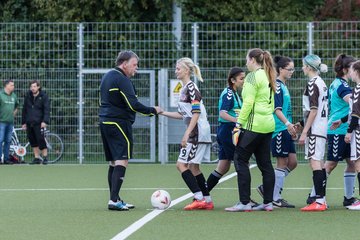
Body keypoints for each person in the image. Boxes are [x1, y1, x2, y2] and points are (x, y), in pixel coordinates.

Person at [99, 50, 161, 211]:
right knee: (122, 160)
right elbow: (133, 104)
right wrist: (152, 110)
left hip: (105, 121)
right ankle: (113, 200)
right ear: (124, 63)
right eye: (134, 64)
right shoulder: (122, 78)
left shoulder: (108, 76)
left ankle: (115, 198)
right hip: (118, 123)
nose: (136, 68)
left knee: (114, 161)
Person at [225, 48, 276, 212]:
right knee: (265, 164)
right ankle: (268, 202)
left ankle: (244, 202)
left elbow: (248, 103)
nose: (246, 63)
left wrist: (238, 124)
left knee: (240, 159)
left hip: (254, 125)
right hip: (268, 124)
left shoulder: (252, 77)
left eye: (247, 59)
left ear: (253, 60)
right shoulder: (268, 74)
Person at [160, 57, 213, 210]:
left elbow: (196, 114)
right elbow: (184, 115)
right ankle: (207, 200)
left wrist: (187, 134)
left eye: (179, 68)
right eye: (176, 68)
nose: (176, 71)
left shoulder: (191, 88)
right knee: (194, 167)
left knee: (181, 165)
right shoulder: (184, 89)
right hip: (197, 131)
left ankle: (198, 197)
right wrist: (163, 112)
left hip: (197, 132)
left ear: (187, 70)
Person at [307, 54, 358, 207]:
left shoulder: (337, 83)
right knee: (330, 164)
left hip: (344, 128)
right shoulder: (342, 86)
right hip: (338, 130)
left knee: (351, 162)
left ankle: (349, 198)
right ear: (344, 69)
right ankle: (314, 196)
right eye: (352, 68)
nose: (355, 70)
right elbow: (354, 104)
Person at [257, 56, 297, 208]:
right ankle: (275, 197)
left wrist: (291, 126)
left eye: (293, 69)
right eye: (290, 69)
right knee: (282, 162)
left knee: (292, 162)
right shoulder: (277, 86)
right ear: (281, 69)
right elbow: (277, 109)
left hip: (285, 128)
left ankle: (267, 187)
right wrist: (287, 124)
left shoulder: (284, 86)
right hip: (278, 129)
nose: (292, 72)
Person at [297, 54, 328, 211]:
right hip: (321, 128)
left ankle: (320, 201)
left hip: (315, 129)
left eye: (303, 65)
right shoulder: (322, 83)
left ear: (309, 67)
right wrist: (301, 124)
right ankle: (322, 199)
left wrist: (305, 131)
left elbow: (314, 110)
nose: (302, 67)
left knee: (315, 162)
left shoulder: (312, 83)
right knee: (320, 163)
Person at [206, 67, 245, 191]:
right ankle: (246, 199)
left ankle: (203, 194)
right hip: (229, 132)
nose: (243, 81)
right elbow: (223, 113)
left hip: (227, 131)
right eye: (241, 79)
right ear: (233, 80)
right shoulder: (228, 93)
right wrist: (237, 121)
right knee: (242, 163)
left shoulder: (235, 93)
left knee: (223, 167)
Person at [22, 80, 51, 165]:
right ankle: (36, 158)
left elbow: (47, 110)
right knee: (32, 140)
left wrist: (45, 121)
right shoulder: (28, 96)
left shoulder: (44, 96)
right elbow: (24, 110)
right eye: (31, 87)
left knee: (41, 140)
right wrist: (23, 122)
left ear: (38, 87)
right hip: (29, 122)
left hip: (39, 123)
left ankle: (45, 157)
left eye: (34, 86)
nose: (33, 88)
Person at [344, 60, 360, 210]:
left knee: (358, 163)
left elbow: (356, 114)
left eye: (351, 70)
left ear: (356, 72)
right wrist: (342, 120)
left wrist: (349, 131)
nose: (349, 73)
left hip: (358, 131)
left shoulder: (357, 89)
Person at [0, 79, 19, 164]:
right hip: (1, 122)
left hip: (10, 123)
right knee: (0, 140)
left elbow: (17, 106)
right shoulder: (0, 95)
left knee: (8, 141)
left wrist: (13, 115)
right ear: (6, 86)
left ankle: (6, 159)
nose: (13, 87)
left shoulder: (14, 96)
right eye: (11, 85)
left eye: (13, 85)